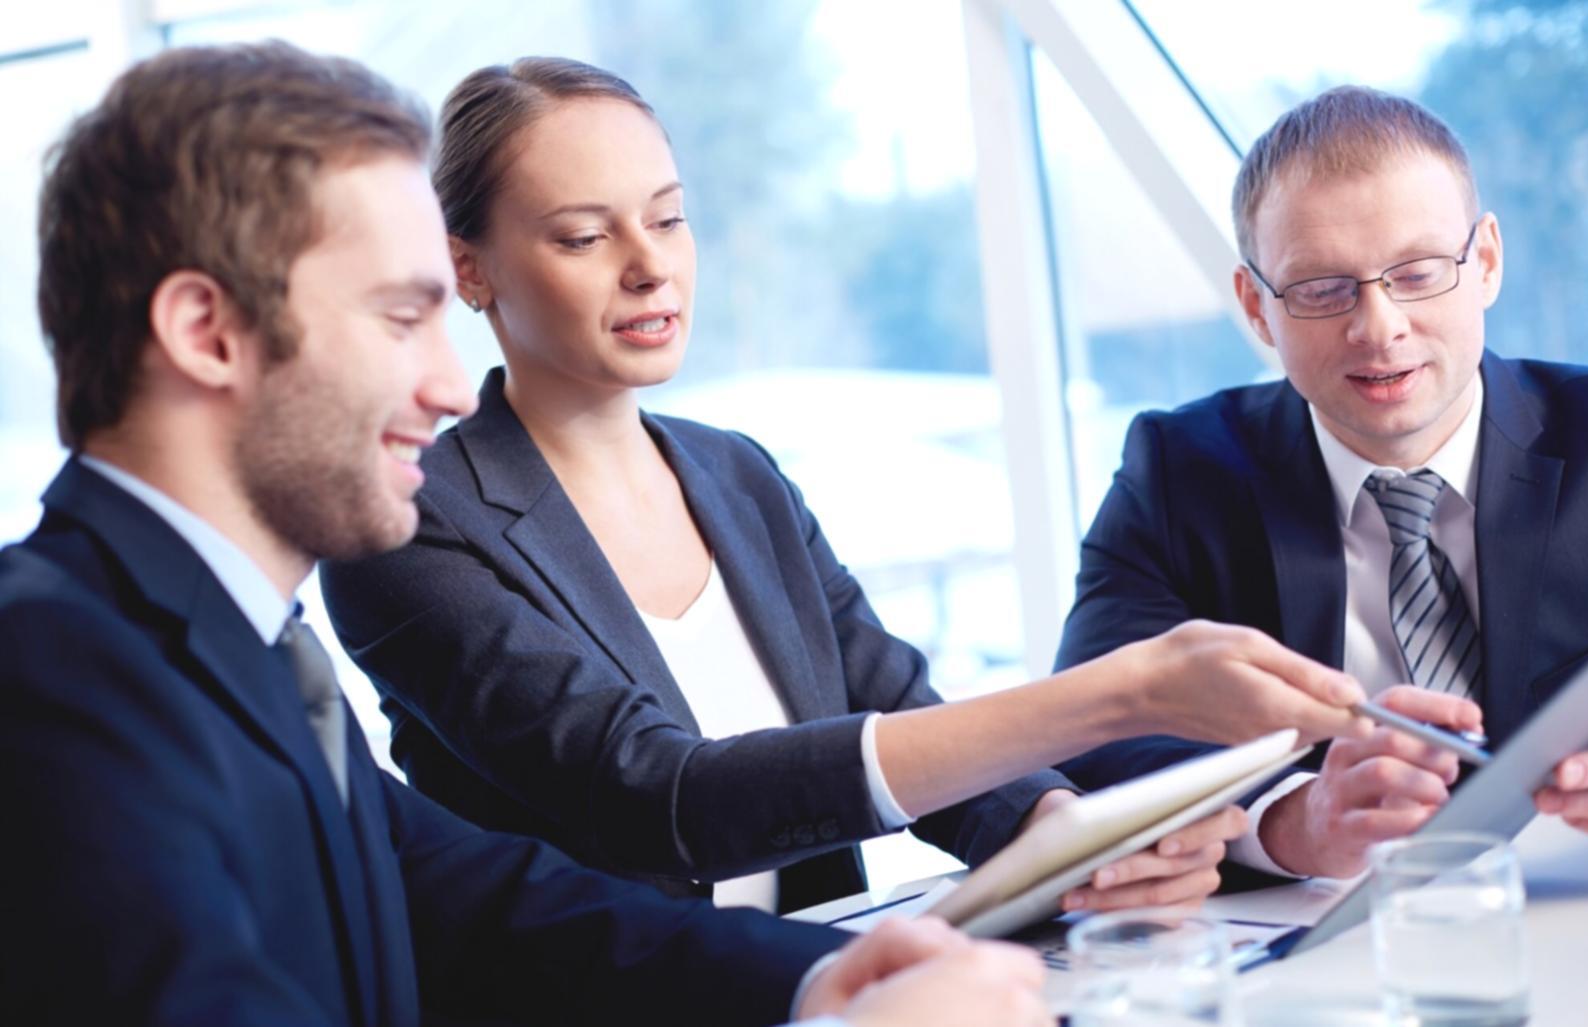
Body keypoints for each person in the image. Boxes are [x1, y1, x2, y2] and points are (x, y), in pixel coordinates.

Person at [0, 40, 1060, 1027]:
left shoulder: (233, 647)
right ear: (207, 333)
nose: (451, 385)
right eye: (398, 317)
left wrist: (818, 980)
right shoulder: (51, 670)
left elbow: (489, 898)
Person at [321, 56, 1364, 917]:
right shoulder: (412, 524)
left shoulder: (737, 476)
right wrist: (1112, 695)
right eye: (585, 236)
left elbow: (895, 710)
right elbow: (658, 793)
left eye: (668, 218)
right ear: (469, 270)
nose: (649, 267)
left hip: (829, 977)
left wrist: (1055, 835)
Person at [1056, 85, 1588, 881]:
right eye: (1321, 289)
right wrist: (1288, 819)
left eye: (1416, 273)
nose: (1378, 327)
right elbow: (1086, 729)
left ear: (1483, 262)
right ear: (1256, 306)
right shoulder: (1178, 471)